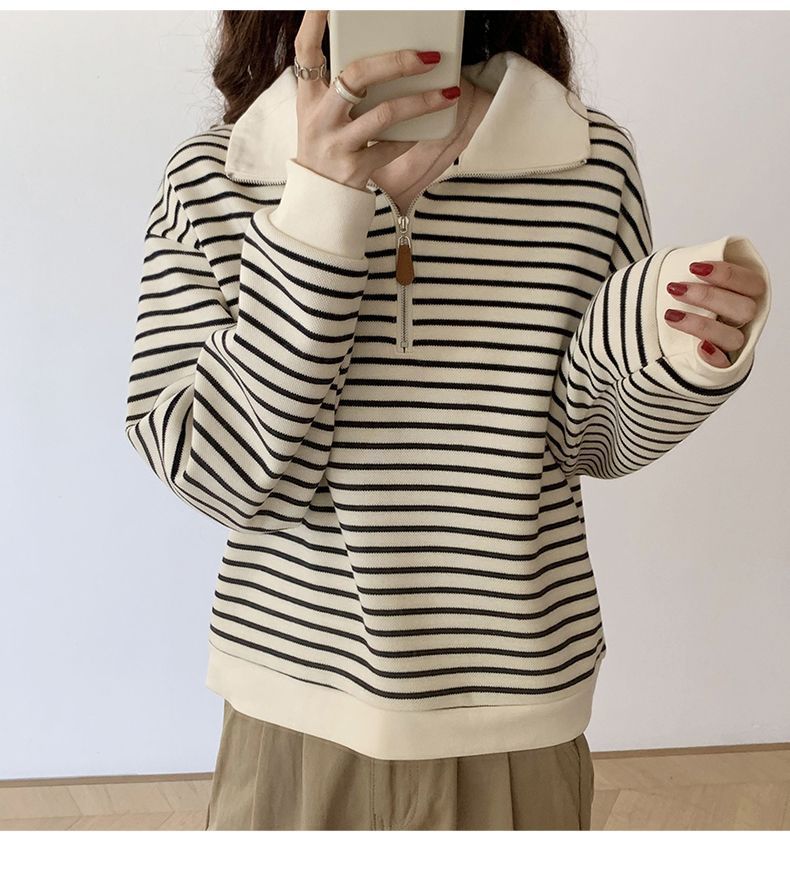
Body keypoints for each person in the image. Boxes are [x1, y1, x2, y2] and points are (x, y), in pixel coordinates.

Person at [123, 10, 771, 831]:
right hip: (292, 706)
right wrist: (317, 206)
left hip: (516, 709)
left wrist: (675, 350)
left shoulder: (587, 162)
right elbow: (212, 473)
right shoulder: (214, 176)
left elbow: (586, 441)